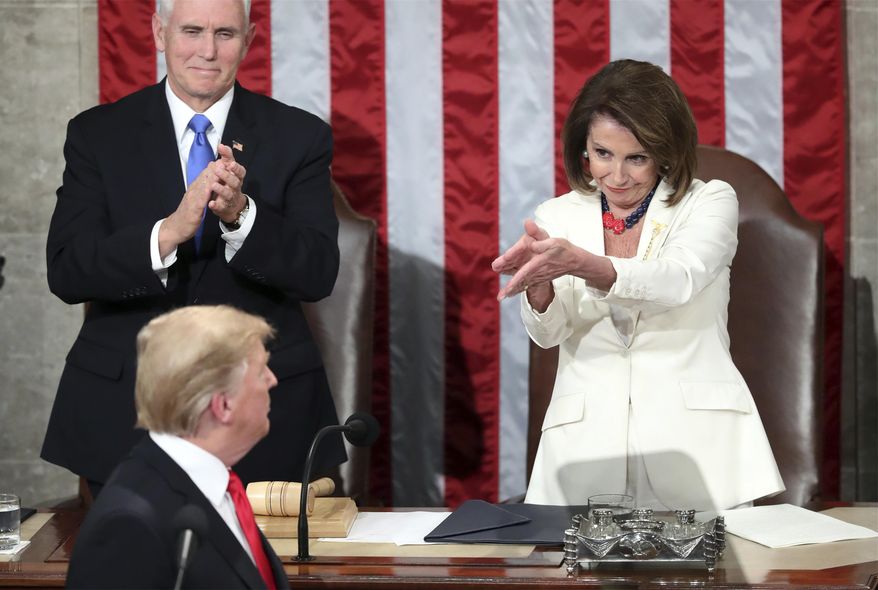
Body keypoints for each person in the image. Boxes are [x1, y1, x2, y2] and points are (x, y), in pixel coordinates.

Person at [42, 0, 345, 497]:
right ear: (159, 33)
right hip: (124, 412)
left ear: (248, 39)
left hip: (265, 416)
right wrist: (167, 233)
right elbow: (68, 271)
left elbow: (318, 273)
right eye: (192, 31)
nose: (208, 50)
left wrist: (242, 216)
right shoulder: (97, 134)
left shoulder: (300, 136)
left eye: (225, 34)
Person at [492, 60, 784, 511]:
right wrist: (539, 289)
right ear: (582, 149)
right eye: (602, 154)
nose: (617, 176)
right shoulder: (557, 215)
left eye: (637, 158)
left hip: (698, 450)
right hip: (584, 452)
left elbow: (678, 279)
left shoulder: (709, 201)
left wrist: (588, 266)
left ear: (666, 152)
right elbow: (549, 335)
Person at [67, 305, 289, 589]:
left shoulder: (217, 485)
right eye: (261, 372)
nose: (273, 380)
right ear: (223, 405)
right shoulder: (128, 525)